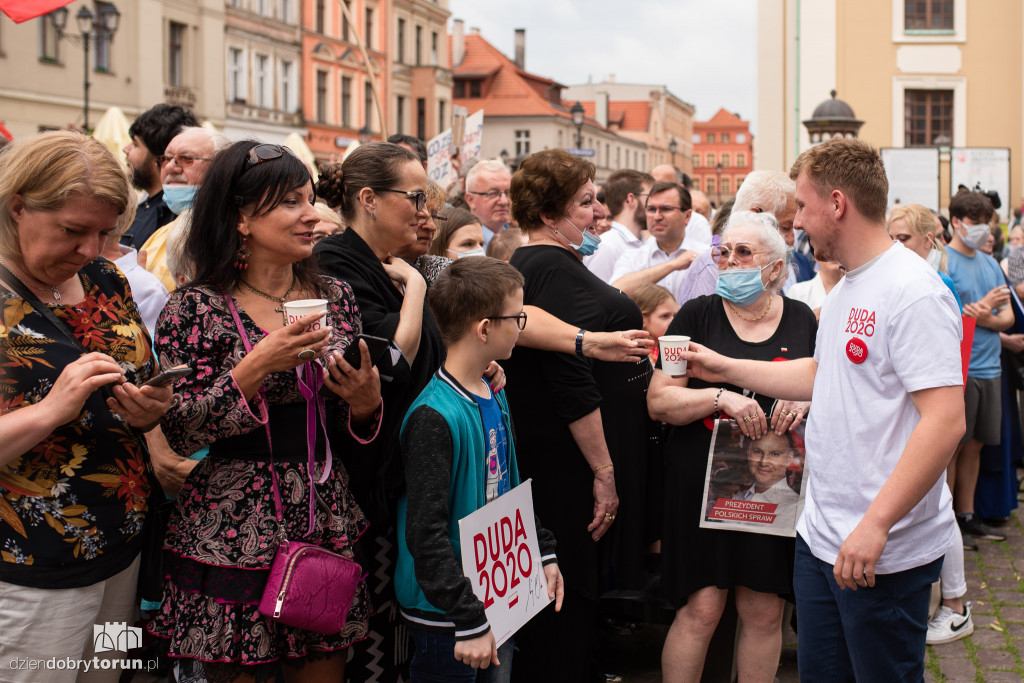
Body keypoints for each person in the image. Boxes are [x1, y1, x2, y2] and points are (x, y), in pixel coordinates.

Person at [680, 138, 965, 681]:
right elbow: (821, 375)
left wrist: (876, 525)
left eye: (803, 209)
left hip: (880, 550)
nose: (798, 225)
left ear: (837, 204)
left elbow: (946, 421)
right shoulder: (847, 286)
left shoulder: (912, 291)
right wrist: (725, 367)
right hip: (821, 537)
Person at [147, 141, 382, 681]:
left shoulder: (336, 295)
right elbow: (180, 430)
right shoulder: (195, 306)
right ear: (241, 218)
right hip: (232, 524)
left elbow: (354, 420)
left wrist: (366, 406)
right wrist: (256, 365)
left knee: (325, 666)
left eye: (311, 199)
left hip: (322, 511)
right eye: (290, 203)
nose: (311, 215)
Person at [0, 130, 173, 681]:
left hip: (121, 548)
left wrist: (149, 408)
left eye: (105, 233)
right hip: (33, 565)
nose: (89, 250)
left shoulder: (104, 277)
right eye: (73, 231)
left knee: (105, 674)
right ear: (18, 205)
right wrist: (53, 408)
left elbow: (137, 377)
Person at [502, 149, 655, 682]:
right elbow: (569, 381)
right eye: (587, 202)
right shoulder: (547, 265)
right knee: (566, 595)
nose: (599, 214)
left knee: (564, 597)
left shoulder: (544, 265)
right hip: (569, 467)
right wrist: (604, 471)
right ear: (549, 215)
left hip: (562, 461)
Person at [648, 211, 815, 682]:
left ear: (776, 269)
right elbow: (659, 400)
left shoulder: (802, 319)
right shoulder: (694, 314)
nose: (729, 261)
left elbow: (825, 388)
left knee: (763, 610)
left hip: (772, 489)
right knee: (701, 608)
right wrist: (719, 397)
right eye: (725, 251)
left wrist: (803, 402)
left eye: (745, 253)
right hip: (701, 486)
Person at [396, 257, 564, 681]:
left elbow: (508, 485)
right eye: (517, 317)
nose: (521, 326)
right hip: (450, 615)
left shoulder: (494, 390)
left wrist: (541, 550)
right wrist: (467, 618)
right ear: (484, 328)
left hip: (497, 596)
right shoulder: (434, 416)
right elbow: (424, 531)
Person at [885, 203, 975, 643]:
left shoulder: (933, 286)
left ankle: (955, 604)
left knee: (937, 503)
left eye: (903, 238)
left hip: (929, 414)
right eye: (891, 237)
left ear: (928, 241)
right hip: (914, 412)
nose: (895, 246)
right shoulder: (908, 281)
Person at [944, 189, 1013, 544]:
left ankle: (968, 515)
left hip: (990, 369)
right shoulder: (945, 261)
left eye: (987, 223)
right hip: (961, 369)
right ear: (956, 221)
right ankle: (949, 521)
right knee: (955, 445)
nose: (984, 230)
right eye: (976, 223)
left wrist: (982, 314)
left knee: (977, 446)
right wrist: (985, 311)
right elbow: (946, 319)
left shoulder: (989, 263)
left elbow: (1007, 317)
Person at [138, 126, 232, 291]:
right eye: (166, 159)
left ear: (220, 168)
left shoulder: (232, 234)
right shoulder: (159, 235)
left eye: (186, 159)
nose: (172, 167)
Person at [121, 104, 198, 249]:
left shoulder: (174, 216)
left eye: (136, 144)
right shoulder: (143, 205)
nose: (125, 149)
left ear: (159, 158)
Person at [611, 181, 701, 299]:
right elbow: (615, 292)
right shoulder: (633, 258)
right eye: (652, 209)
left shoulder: (704, 255)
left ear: (687, 216)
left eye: (666, 209)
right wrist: (673, 265)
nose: (657, 217)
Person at [737, 431, 802, 529]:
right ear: (748, 453)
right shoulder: (737, 499)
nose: (764, 462)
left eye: (775, 454)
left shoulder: (797, 508)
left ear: (789, 458)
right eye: (757, 452)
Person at [464, 160, 512, 247]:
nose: (504, 201)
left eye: (508, 192)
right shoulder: (464, 245)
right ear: (471, 200)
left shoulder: (521, 239)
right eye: (493, 193)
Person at [630, 283, 677, 365]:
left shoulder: (667, 348)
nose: (673, 321)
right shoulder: (638, 354)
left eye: (675, 315)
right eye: (665, 316)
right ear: (642, 320)